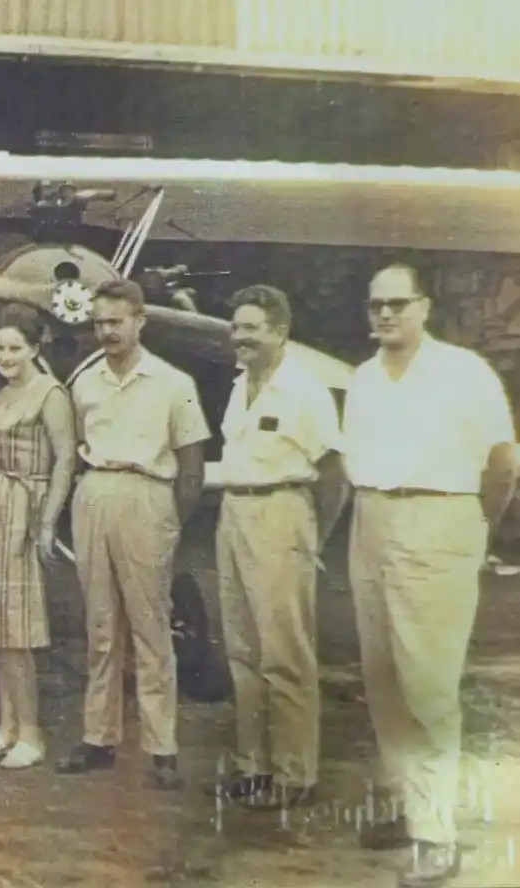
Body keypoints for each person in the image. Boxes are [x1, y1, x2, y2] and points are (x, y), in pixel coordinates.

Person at [344, 264, 517, 888]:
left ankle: (437, 834)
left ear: (424, 307)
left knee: (430, 685)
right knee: (382, 673)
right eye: (375, 306)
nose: (385, 315)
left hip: (439, 518)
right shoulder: (364, 379)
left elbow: (502, 463)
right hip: (373, 521)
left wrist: (475, 529)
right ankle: (402, 804)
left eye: (397, 303)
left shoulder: (463, 372)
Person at [58, 279, 210, 789]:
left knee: (150, 629)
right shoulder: (85, 383)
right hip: (96, 492)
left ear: (140, 321)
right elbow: (76, 442)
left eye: (116, 322)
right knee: (100, 627)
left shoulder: (173, 383)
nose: (107, 332)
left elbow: (192, 468)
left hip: (149, 496)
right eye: (99, 323)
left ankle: (161, 747)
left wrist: (168, 521)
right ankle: (98, 738)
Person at [212, 285, 347, 808]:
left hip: (281, 511)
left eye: (251, 328)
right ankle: (253, 766)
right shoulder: (239, 383)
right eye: (235, 328)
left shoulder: (305, 390)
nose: (239, 338)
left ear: (280, 332)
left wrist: (314, 536)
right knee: (243, 650)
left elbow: (335, 471)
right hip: (234, 512)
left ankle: (295, 774)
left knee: (285, 652)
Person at [0, 304, 77, 770]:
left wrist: (47, 521)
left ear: (34, 347)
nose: (6, 356)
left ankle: (31, 732)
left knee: (18, 628)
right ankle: (5, 726)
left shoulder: (49, 393)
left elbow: (65, 460)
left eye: (15, 347)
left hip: (22, 510)